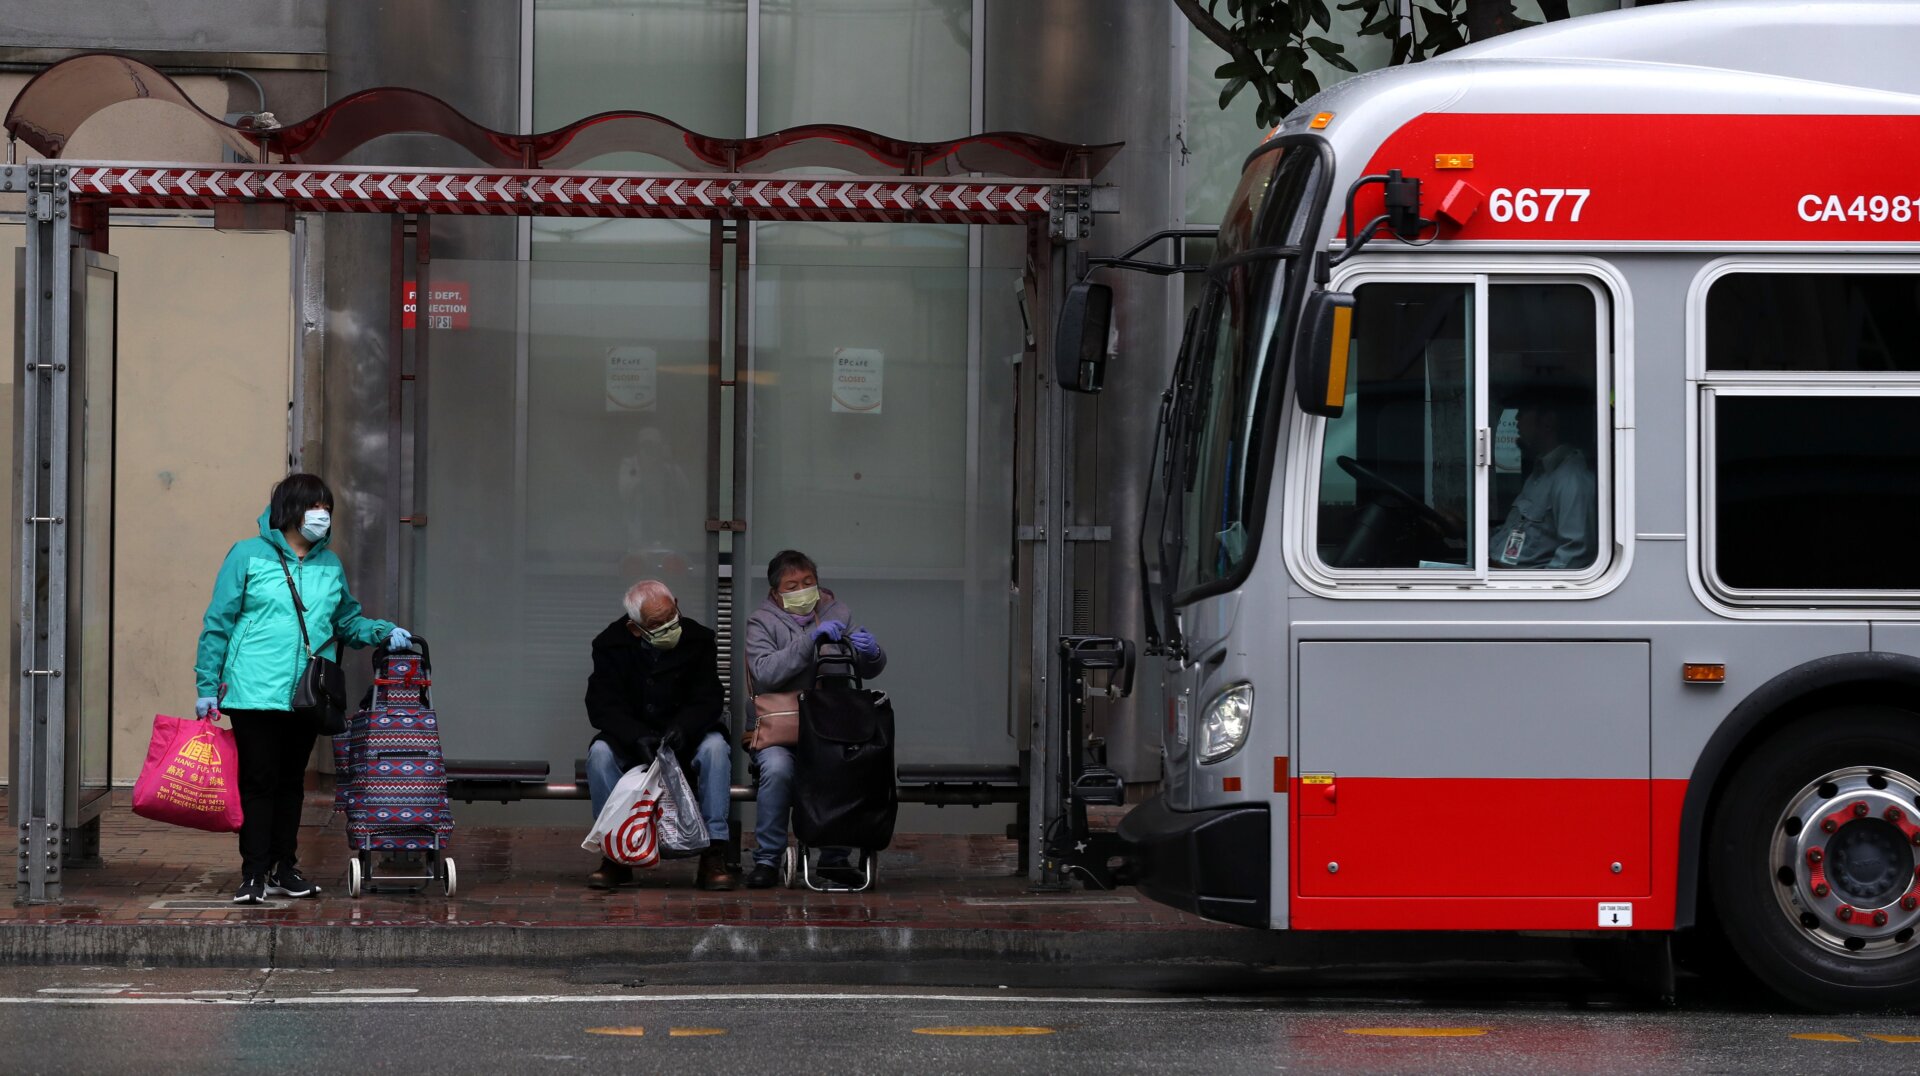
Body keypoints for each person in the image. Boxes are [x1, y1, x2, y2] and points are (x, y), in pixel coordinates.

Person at [195, 473, 411, 906]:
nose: (322, 515)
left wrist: (384, 631)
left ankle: (283, 869)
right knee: (259, 782)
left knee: (292, 784)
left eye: (327, 508)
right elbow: (218, 622)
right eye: (315, 506)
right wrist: (206, 684)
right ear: (290, 508)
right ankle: (253, 873)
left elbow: (346, 621)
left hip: (308, 692)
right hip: (254, 689)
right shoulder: (247, 555)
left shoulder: (329, 564)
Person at [742, 549, 886, 889]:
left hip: (832, 725)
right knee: (777, 770)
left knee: (842, 765)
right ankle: (767, 859)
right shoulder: (760, 622)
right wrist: (808, 643)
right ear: (776, 592)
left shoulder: (838, 611)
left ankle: (835, 859)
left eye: (809, 582)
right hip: (782, 729)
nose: (803, 590)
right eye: (793, 585)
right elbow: (764, 674)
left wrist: (871, 652)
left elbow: (865, 668)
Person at [584, 579, 737, 891]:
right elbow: (602, 704)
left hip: (686, 735)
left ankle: (714, 852)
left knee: (716, 749)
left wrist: (684, 726)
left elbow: (709, 697)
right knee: (599, 755)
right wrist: (636, 735)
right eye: (658, 623)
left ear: (677, 604)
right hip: (634, 738)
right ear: (635, 628)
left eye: (672, 616)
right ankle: (614, 855)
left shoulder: (698, 639)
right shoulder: (610, 646)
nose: (669, 625)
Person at [1489, 390, 1597, 570]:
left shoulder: (1571, 479)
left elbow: (1575, 554)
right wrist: (1466, 532)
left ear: (1548, 421)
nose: (1516, 419)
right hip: (1498, 574)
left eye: (1523, 412)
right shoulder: (1540, 473)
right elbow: (1518, 532)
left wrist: (1537, 592)